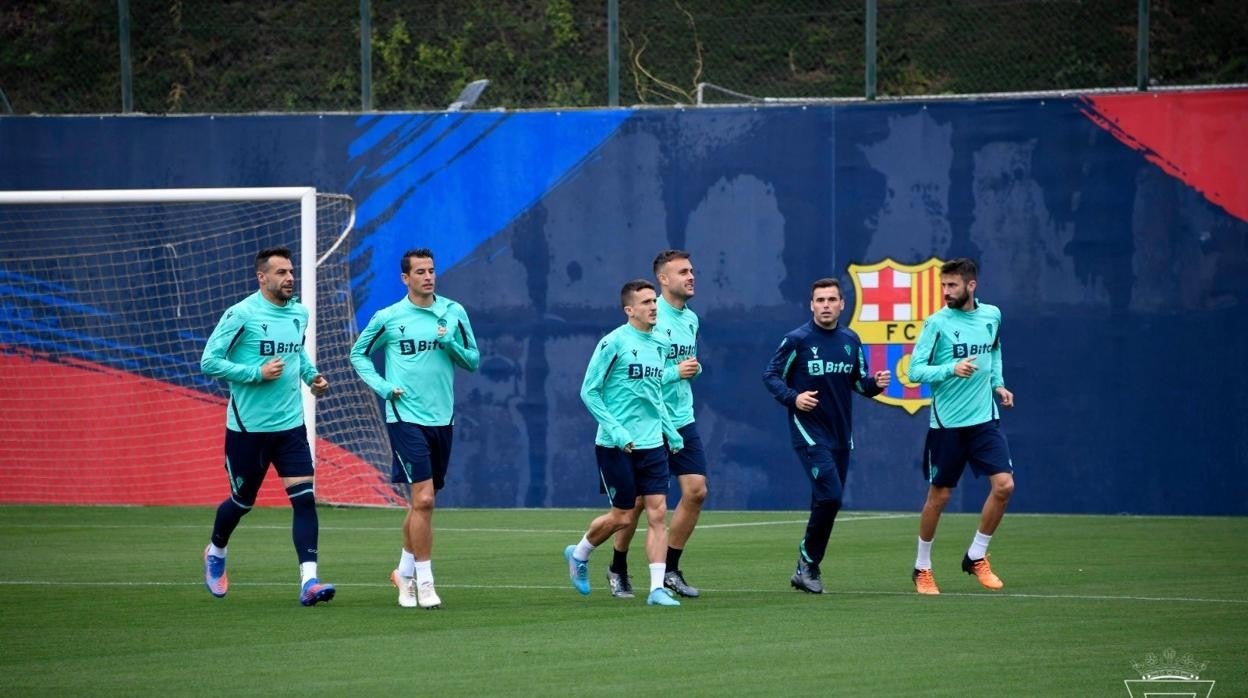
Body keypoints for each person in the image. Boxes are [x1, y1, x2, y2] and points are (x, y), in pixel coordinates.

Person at [200, 247, 334, 606]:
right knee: (242, 503)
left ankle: (310, 581)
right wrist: (254, 374)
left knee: (305, 501)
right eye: (281, 272)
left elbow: (297, 354)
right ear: (262, 277)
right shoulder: (241, 314)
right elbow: (209, 362)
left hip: (290, 427)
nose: (289, 278)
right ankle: (216, 551)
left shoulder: (299, 313)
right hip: (248, 431)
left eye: (291, 271)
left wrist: (313, 378)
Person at [350, 248, 480, 609]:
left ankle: (403, 573)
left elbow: (473, 360)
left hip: (443, 418)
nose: (428, 276)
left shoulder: (453, 312)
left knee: (422, 503)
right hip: (405, 416)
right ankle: (425, 581)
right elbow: (358, 354)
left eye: (431, 270)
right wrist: (382, 386)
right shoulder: (389, 317)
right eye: (420, 271)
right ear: (405, 278)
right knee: (423, 499)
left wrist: (449, 341)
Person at [762, 277, 891, 594]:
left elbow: (858, 383)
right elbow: (771, 375)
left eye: (832, 300)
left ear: (842, 304)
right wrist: (794, 398)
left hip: (840, 435)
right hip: (809, 430)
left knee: (826, 500)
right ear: (811, 304)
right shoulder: (798, 339)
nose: (826, 306)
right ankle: (808, 562)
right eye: (820, 300)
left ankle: (805, 570)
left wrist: (876, 383)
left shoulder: (851, 339)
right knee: (831, 494)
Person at [565, 279, 685, 607]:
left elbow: (654, 393)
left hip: (652, 445)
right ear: (629, 310)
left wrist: (670, 431)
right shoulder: (613, 342)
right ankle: (579, 554)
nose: (653, 307)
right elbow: (589, 391)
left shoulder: (660, 343)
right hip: (614, 445)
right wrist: (617, 431)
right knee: (622, 517)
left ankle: (657, 588)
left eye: (654, 302)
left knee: (658, 513)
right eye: (646, 302)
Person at [906, 257, 1014, 595]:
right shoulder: (937, 323)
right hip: (948, 424)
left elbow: (993, 351)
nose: (946, 291)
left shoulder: (991, 315)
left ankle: (976, 556)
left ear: (971, 285)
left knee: (1004, 486)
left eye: (952, 285)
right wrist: (950, 368)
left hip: (984, 420)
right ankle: (922, 567)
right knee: (939, 497)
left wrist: (998, 383)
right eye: (943, 285)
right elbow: (914, 371)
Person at [607, 250, 707, 599]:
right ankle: (618, 565)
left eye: (692, 270)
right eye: (683, 272)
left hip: (682, 417)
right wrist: (674, 372)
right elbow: (639, 378)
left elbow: (682, 365)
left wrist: (689, 370)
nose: (691, 276)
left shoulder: (691, 319)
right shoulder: (650, 316)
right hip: (648, 422)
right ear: (663, 279)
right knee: (636, 505)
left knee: (696, 491)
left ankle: (670, 569)